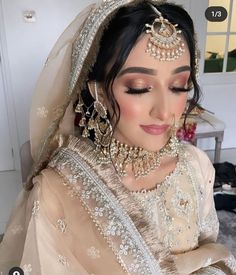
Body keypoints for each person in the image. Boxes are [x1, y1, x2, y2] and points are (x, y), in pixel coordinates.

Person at [0, 0, 235, 274]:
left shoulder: (195, 165)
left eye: (178, 86)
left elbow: (211, 252)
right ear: (99, 92)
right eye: (139, 88)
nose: (165, 111)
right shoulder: (57, 189)